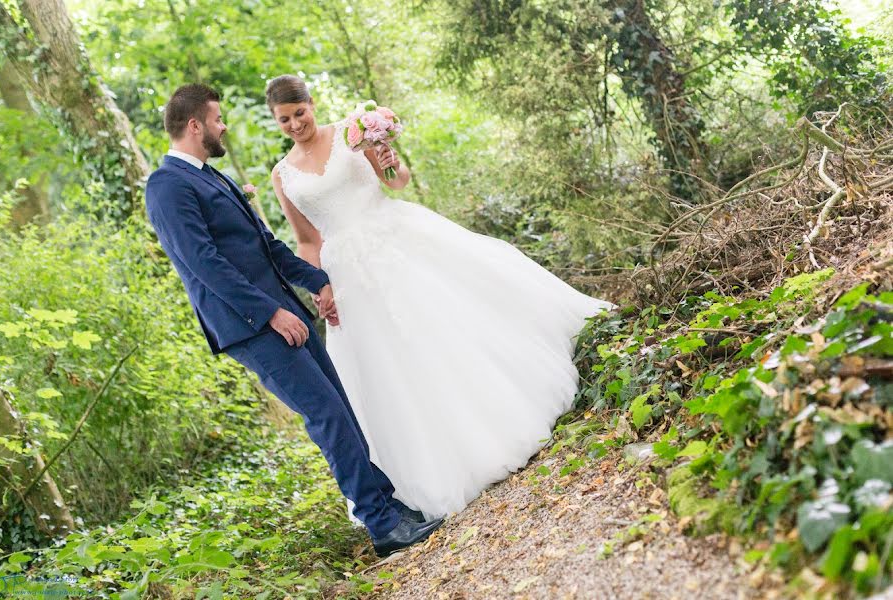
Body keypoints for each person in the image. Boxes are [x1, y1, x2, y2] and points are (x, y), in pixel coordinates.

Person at [267, 75, 616, 520]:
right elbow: (306, 239)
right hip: (347, 272)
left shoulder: (352, 133)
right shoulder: (283, 174)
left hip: (396, 238)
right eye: (285, 120)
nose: (295, 124)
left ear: (311, 104)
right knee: (389, 361)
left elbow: (397, 182)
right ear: (275, 121)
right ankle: (438, 458)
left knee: (442, 323)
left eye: (300, 113)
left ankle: (500, 413)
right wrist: (320, 285)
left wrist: (390, 161)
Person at [144, 83, 443, 557]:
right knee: (325, 416)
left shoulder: (211, 177)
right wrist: (270, 313)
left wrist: (316, 280)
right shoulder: (166, 186)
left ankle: (388, 504)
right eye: (218, 120)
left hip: (283, 311)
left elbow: (268, 247)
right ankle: (382, 525)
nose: (224, 127)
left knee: (340, 408)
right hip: (252, 325)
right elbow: (203, 263)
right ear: (195, 125)